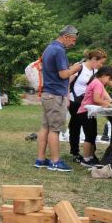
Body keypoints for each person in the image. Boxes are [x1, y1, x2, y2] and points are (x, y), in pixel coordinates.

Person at [35, 25, 83, 172]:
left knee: (45, 127)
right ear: (66, 36)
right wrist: (76, 68)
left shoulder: (49, 48)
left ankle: (41, 159)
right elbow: (63, 74)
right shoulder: (59, 50)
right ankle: (56, 162)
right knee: (55, 129)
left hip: (47, 93)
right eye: (73, 40)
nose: (74, 43)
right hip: (55, 95)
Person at [68, 49, 107, 163]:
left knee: (91, 128)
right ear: (94, 59)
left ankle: (90, 153)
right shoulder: (79, 67)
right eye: (101, 62)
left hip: (89, 104)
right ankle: (75, 152)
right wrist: (66, 99)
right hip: (75, 101)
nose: (102, 65)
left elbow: (100, 86)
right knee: (75, 126)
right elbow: (67, 82)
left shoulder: (96, 71)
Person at [76, 66, 112, 167]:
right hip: (86, 112)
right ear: (104, 75)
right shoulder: (97, 83)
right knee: (89, 136)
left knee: (92, 135)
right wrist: (108, 104)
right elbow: (96, 99)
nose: (108, 82)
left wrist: (109, 101)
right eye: (109, 79)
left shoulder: (97, 82)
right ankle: (86, 159)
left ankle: (90, 157)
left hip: (89, 112)